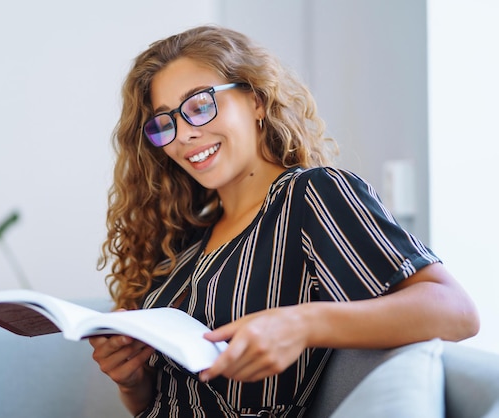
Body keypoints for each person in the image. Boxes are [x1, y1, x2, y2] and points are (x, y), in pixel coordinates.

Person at [90, 25, 479, 417]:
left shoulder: (311, 195)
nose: (185, 134)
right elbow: (158, 403)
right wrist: (133, 382)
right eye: (165, 123)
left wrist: (302, 323)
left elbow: (456, 311)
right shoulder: (186, 239)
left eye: (200, 105)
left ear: (256, 101)